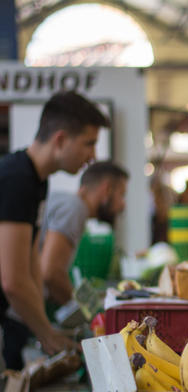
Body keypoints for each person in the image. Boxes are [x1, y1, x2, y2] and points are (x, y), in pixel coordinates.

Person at [0, 91, 109, 370]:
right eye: (89, 144)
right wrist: (46, 335)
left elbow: (33, 262)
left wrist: (44, 327)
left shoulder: (37, 181)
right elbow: (13, 280)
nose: (93, 156)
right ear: (60, 140)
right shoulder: (16, 178)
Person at [40, 161, 128, 307]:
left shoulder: (69, 205)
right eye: (122, 195)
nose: (123, 204)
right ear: (106, 190)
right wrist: (87, 311)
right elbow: (51, 273)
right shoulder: (74, 208)